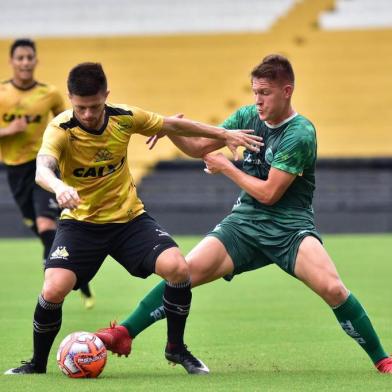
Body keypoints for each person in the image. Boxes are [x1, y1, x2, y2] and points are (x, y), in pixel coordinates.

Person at [95, 54, 392, 374]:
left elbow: (269, 193)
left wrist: (225, 166)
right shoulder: (248, 116)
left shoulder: (300, 133)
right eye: (255, 92)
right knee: (183, 272)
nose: (258, 100)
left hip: (289, 228)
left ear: (287, 91)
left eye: (265, 93)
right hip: (245, 223)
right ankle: (124, 333)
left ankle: (382, 360)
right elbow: (200, 146)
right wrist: (172, 130)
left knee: (333, 289)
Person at [4, 62, 262, 376]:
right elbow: (41, 169)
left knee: (178, 268)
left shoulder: (124, 117)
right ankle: (37, 363)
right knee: (54, 288)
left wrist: (224, 134)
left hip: (129, 220)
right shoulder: (61, 128)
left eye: (94, 106)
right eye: (81, 107)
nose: (87, 114)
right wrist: (60, 187)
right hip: (80, 224)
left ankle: (176, 349)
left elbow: (172, 124)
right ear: (71, 99)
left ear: (106, 96)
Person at [0, 38, 95, 308]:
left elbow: (69, 122)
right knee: (40, 229)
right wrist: (8, 131)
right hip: (15, 170)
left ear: (36, 61)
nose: (25, 62)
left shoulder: (50, 94)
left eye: (30, 57)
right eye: (20, 58)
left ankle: (54, 286)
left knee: (46, 225)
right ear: (12, 62)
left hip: (43, 165)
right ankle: (79, 278)